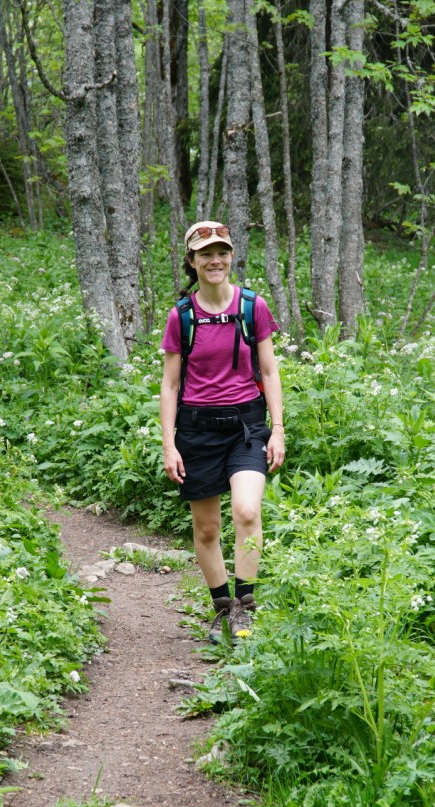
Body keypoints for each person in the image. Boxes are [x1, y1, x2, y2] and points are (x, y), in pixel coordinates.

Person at [160, 221, 285, 642]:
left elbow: (269, 371)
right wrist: (169, 444)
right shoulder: (182, 316)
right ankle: (221, 608)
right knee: (207, 529)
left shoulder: (253, 307)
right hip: (196, 429)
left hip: (247, 426)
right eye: (205, 254)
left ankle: (245, 608)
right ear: (192, 262)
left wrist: (278, 429)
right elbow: (170, 385)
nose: (215, 260)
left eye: (222, 252)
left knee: (248, 511)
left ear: (231, 257)